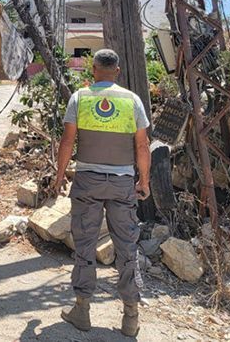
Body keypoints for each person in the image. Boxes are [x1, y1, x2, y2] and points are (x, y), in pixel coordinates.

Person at [53, 48, 151, 337]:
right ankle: (130, 317)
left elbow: (67, 141)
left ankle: (82, 310)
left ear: (93, 70)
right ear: (117, 72)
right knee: (126, 248)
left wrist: (59, 177)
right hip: (122, 184)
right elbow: (142, 146)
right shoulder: (132, 101)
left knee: (84, 244)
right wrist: (143, 181)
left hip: (87, 183)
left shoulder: (80, 97)